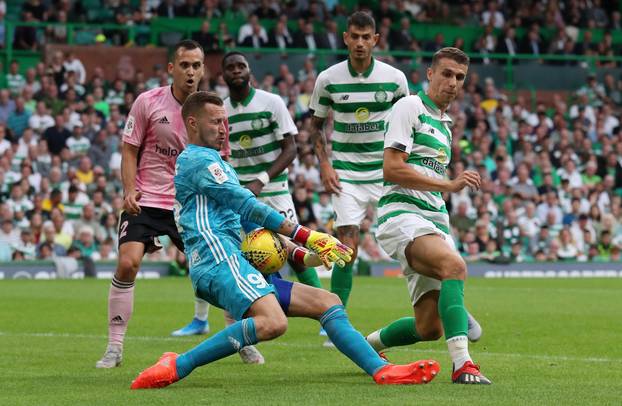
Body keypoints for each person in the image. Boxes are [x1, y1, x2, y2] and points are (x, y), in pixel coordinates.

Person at [129, 91, 440, 389]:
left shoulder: (219, 165)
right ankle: (176, 364)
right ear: (193, 123)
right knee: (272, 323)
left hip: (233, 262)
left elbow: (251, 224)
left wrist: (315, 253)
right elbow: (247, 204)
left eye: (225, 122)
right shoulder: (197, 161)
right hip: (218, 260)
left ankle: (381, 370)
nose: (223, 129)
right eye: (215, 122)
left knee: (327, 302)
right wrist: (308, 235)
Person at [95, 40, 257, 369]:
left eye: (197, 65)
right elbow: (129, 148)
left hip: (192, 203)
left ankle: (238, 337)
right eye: (184, 65)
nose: (191, 71)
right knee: (127, 264)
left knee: (226, 269)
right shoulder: (148, 102)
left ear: (203, 70)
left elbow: (219, 162)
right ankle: (114, 347)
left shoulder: (213, 111)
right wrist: (129, 189)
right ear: (172, 68)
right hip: (148, 199)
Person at [365, 47, 491, 384]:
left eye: (460, 77)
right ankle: (463, 365)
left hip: (434, 222)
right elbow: (392, 169)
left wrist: (442, 191)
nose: (452, 82)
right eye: (447, 74)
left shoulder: (444, 125)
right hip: (403, 216)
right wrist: (448, 185)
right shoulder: (409, 107)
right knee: (454, 267)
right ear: (429, 74)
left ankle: (366, 346)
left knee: (429, 327)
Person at [308, 11, 408, 343]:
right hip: (347, 176)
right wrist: (325, 165)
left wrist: (404, 165)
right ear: (346, 38)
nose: (361, 43)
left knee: (409, 242)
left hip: (385, 173)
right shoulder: (328, 78)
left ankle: (434, 302)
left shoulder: (395, 78)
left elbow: (407, 124)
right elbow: (316, 125)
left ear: (376, 40)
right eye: (355, 36)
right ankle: (334, 321)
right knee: (346, 249)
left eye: (367, 37)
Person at [221, 52, 324, 289]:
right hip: (241, 196)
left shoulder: (271, 102)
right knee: (245, 256)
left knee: (294, 253)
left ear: (249, 71)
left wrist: (261, 180)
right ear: (223, 75)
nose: (236, 70)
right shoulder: (221, 111)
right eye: (231, 67)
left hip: (274, 189)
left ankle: (324, 307)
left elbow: (290, 150)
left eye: (241, 66)